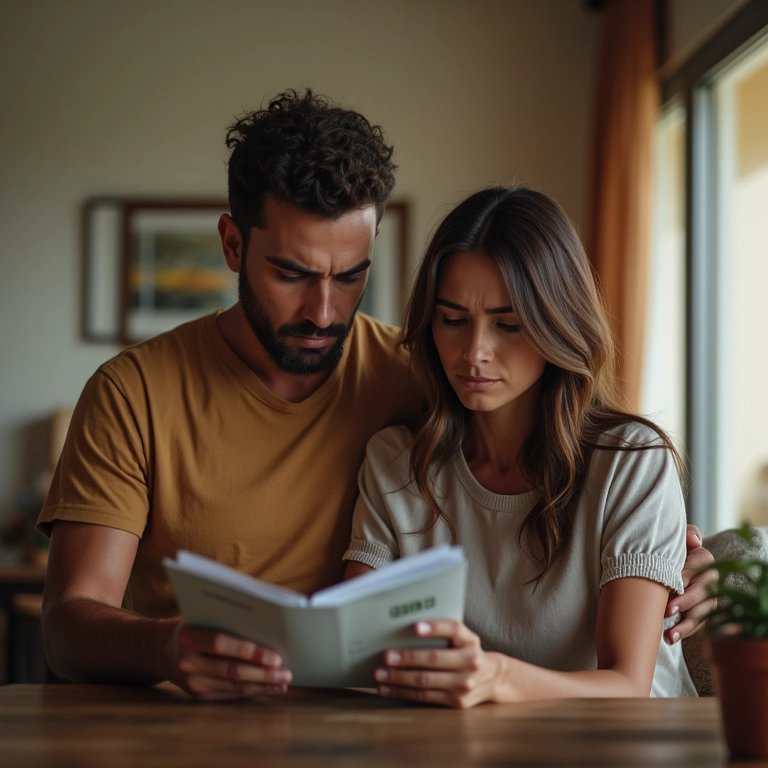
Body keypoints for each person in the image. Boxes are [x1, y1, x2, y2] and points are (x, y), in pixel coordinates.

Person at [39, 91, 712, 701]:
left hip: (373, 723)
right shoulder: (136, 391)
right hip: (199, 720)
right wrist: (165, 645)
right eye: (291, 274)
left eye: (350, 275)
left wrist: (688, 564)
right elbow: (68, 627)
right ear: (233, 243)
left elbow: (592, 480)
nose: (324, 311)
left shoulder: (424, 374)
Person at [343, 186, 699, 707]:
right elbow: (353, 654)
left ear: (559, 324)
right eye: (453, 320)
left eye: (508, 325)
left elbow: (628, 685)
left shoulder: (631, 461)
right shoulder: (395, 462)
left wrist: (498, 678)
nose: (475, 352)